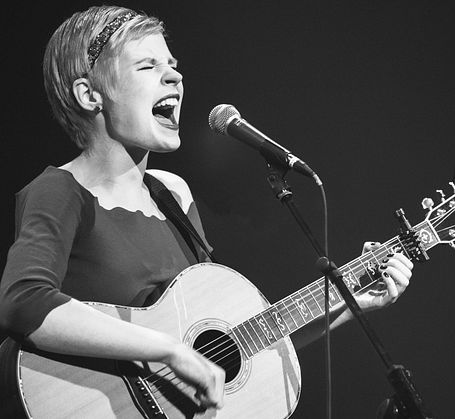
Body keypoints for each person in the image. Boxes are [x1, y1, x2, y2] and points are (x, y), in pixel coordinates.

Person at [0, 5, 413, 412]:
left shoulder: (173, 195)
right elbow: (23, 301)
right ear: (90, 95)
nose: (175, 76)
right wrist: (170, 352)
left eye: (173, 64)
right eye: (147, 66)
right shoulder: (60, 190)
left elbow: (228, 348)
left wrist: (351, 300)